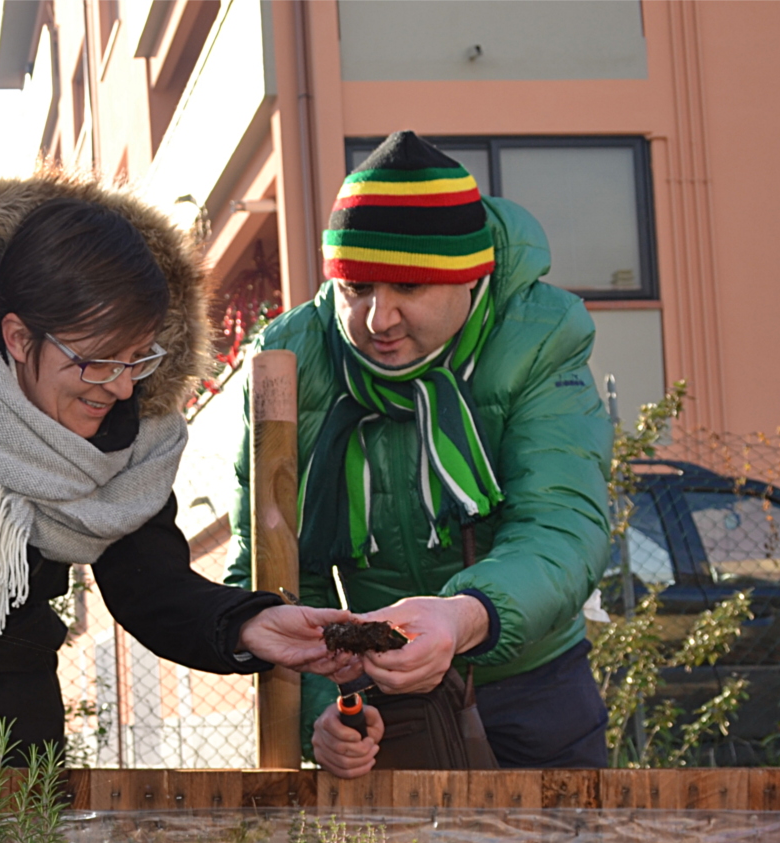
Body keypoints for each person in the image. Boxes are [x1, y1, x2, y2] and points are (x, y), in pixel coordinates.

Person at [0, 171, 353, 761]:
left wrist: (247, 626)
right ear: (17, 336)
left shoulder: (126, 439)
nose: (117, 387)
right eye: (96, 361)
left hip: (20, 736)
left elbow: (155, 587)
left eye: (137, 358)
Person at [227, 131, 613, 778]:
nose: (379, 320)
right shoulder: (289, 364)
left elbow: (562, 526)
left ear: (470, 278)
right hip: (376, 691)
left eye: (409, 286)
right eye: (356, 289)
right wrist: (327, 710)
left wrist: (463, 618)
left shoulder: (542, 338)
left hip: (530, 673)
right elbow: (276, 576)